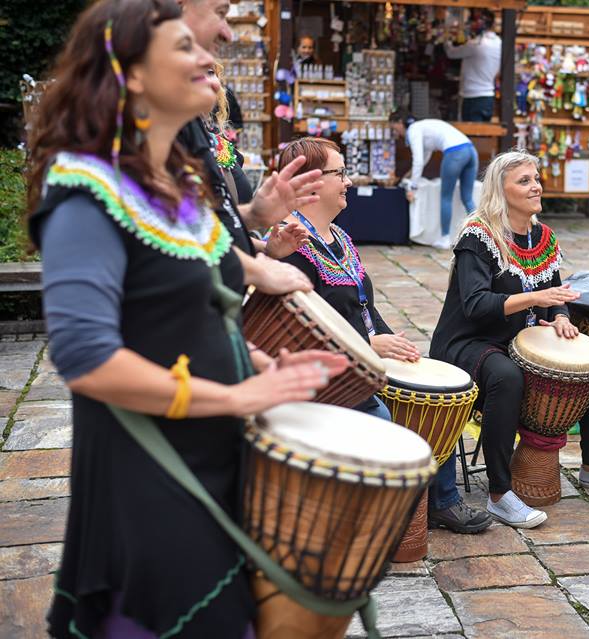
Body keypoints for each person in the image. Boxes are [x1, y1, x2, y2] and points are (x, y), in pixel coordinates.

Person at [25, 2, 347, 637]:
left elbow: (190, 314)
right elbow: (86, 357)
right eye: (184, 47)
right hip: (148, 472)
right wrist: (234, 392)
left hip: (216, 451)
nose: (210, 55)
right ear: (132, 74)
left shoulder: (177, 186)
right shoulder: (86, 191)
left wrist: (255, 363)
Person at [277, 138, 493, 534]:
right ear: (310, 182)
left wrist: (396, 345)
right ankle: (409, 507)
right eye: (339, 173)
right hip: (327, 372)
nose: (347, 180)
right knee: (388, 411)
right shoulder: (291, 246)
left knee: (437, 392)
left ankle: (439, 500)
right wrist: (368, 344)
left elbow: (363, 304)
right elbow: (298, 327)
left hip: (363, 358)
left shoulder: (338, 238)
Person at [431, 150, 589, 529]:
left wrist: (559, 317)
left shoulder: (543, 236)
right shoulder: (479, 235)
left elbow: (555, 295)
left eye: (536, 178)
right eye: (524, 180)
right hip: (469, 341)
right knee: (507, 377)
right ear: (500, 190)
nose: (535, 185)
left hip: (519, 337)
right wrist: (536, 300)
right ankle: (499, 494)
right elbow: (475, 305)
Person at [179, 0, 325, 253]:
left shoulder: (201, 135)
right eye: (221, 13)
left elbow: (206, 229)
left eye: (212, 72)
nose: (228, 32)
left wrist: (255, 224)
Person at [390, 111, 478, 250]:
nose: (396, 133)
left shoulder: (413, 130)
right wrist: (409, 176)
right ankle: (483, 235)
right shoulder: (424, 127)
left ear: (400, 122)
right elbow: (424, 159)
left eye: (394, 128)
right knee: (467, 198)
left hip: (455, 153)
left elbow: (418, 161)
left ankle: (445, 238)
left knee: (446, 197)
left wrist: (412, 187)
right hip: (471, 150)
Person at [444, 9, 501, 122]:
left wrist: (447, 38)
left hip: (472, 95)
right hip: (488, 95)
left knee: (471, 134)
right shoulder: (499, 43)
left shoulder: (476, 45)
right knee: (483, 134)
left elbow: (451, 53)